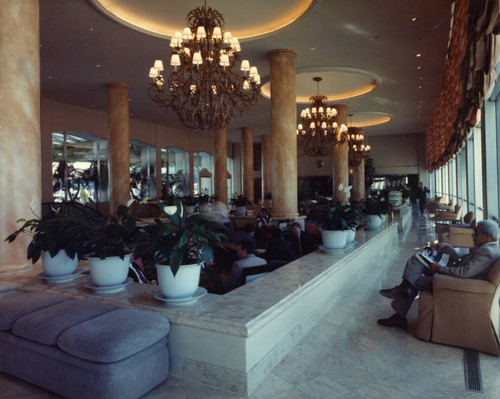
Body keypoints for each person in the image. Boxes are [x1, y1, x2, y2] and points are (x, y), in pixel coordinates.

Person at [377, 220, 500, 329]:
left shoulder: (487, 252)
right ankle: (404, 287)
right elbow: (464, 257)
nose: (473, 235)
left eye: (477, 232)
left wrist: (440, 268)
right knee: (417, 259)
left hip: (455, 282)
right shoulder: (488, 248)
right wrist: (448, 247)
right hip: (455, 272)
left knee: (415, 281)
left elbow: (464, 273)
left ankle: (400, 310)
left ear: (487, 237)